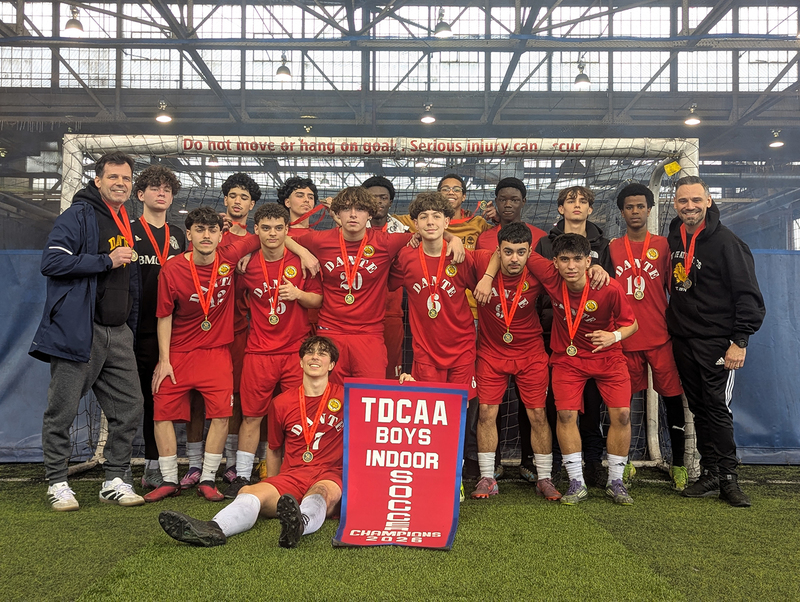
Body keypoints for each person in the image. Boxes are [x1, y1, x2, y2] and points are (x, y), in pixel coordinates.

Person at [30, 151, 145, 510]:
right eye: (113, 177)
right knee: (62, 410)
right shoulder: (79, 214)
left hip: (118, 332)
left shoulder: (125, 217)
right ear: (98, 181)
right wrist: (105, 260)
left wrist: (131, 323)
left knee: (130, 407)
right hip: (81, 330)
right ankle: (57, 482)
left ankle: (114, 478)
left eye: (126, 179)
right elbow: (52, 261)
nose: (120, 183)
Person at [157, 336, 344, 549]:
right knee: (248, 492)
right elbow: (274, 450)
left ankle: (300, 524)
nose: (315, 357)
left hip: (329, 475)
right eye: (310, 352)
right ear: (301, 362)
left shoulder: (347, 397)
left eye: (322, 353)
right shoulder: (281, 403)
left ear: (331, 365)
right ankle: (214, 527)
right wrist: (274, 485)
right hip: (293, 477)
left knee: (321, 493)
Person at [144, 207, 260, 503]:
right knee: (161, 413)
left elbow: (261, 235)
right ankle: (170, 479)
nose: (206, 236)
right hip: (179, 353)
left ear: (221, 235)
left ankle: (208, 478)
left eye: (211, 230)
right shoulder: (172, 269)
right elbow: (164, 316)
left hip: (216, 353)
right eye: (199, 230)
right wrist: (165, 360)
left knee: (221, 415)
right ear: (189, 234)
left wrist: (246, 257)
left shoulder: (230, 256)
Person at [291, 187, 463, 383]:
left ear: (370, 214)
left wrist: (452, 238)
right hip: (331, 331)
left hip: (369, 334)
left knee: (369, 396)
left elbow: (427, 232)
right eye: (347, 209)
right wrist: (302, 252)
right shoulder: (320, 239)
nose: (353, 215)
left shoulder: (386, 242)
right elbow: (282, 238)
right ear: (337, 214)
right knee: (330, 397)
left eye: (360, 209)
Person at [666, 176, 765, 507]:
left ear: (708, 201)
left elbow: (748, 295)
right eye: (683, 201)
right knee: (698, 408)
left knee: (717, 408)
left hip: (717, 342)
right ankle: (710, 472)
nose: (689, 206)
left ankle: (729, 479)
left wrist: (740, 341)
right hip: (682, 338)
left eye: (696, 200)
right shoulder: (674, 235)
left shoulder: (727, 243)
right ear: (676, 204)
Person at [523, 234, 638, 505]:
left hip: (608, 356)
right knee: (565, 415)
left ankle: (616, 481)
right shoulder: (551, 278)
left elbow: (631, 325)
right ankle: (576, 481)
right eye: (564, 259)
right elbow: (519, 250)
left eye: (578, 259)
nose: (571, 266)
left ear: (589, 261)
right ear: (555, 262)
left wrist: (614, 337)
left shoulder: (609, 288)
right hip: (568, 359)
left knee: (621, 415)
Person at [226, 203, 323, 498]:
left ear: (287, 230)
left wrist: (298, 294)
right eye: (266, 228)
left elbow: (318, 300)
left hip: (295, 352)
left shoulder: (302, 261)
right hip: (259, 352)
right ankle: (241, 476)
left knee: (296, 415)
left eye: (279, 228)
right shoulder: (247, 264)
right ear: (256, 230)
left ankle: (292, 475)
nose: (272, 233)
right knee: (252, 416)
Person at [530, 185, 613, 487]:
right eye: (570, 200)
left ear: (591, 209)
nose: (577, 205)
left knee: (592, 405)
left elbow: (610, 289)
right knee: (556, 405)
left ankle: (593, 463)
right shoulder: (543, 244)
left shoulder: (604, 245)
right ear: (560, 208)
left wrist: (602, 270)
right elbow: (534, 282)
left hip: (590, 338)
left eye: (583, 201)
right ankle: (556, 464)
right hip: (552, 333)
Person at [471, 222, 559, 501]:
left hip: (530, 353)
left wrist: (596, 269)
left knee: (538, 415)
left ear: (529, 252)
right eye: (507, 252)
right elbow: (450, 244)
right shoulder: (482, 261)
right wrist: (484, 274)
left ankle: (544, 477)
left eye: (521, 252)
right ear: (497, 251)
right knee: (486, 413)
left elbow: (571, 275)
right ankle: (487, 477)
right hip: (491, 352)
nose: (514, 259)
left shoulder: (537, 269)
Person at [608, 183, 687, 491]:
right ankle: (623, 460)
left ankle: (679, 462)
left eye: (641, 206)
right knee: (625, 405)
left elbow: (675, 289)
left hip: (660, 338)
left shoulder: (664, 246)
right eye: (630, 207)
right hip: (625, 341)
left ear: (650, 209)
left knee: (671, 400)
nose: (635, 211)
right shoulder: (613, 248)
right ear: (622, 211)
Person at [131, 165, 187, 490]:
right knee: (130, 402)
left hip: (167, 332)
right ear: (141, 195)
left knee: (158, 399)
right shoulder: (128, 230)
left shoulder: (179, 235)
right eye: (154, 188)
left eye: (167, 188)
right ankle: (119, 466)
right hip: (133, 329)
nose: (161, 192)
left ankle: (153, 465)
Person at [220, 173, 262, 486]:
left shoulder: (259, 237)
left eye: (244, 197)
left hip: (241, 326)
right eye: (233, 195)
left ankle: (234, 461)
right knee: (204, 398)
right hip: (204, 326)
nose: (237, 201)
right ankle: (199, 463)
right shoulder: (212, 231)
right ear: (225, 199)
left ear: (252, 204)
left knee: (238, 395)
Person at [362, 175, 409, 379]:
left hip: (391, 310)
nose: (378, 202)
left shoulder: (403, 232)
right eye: (373, 197)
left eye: (383, 197)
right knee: (363, 370)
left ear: (390, 201)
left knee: (391, 369)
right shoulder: (350, 229)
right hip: (359, 313)